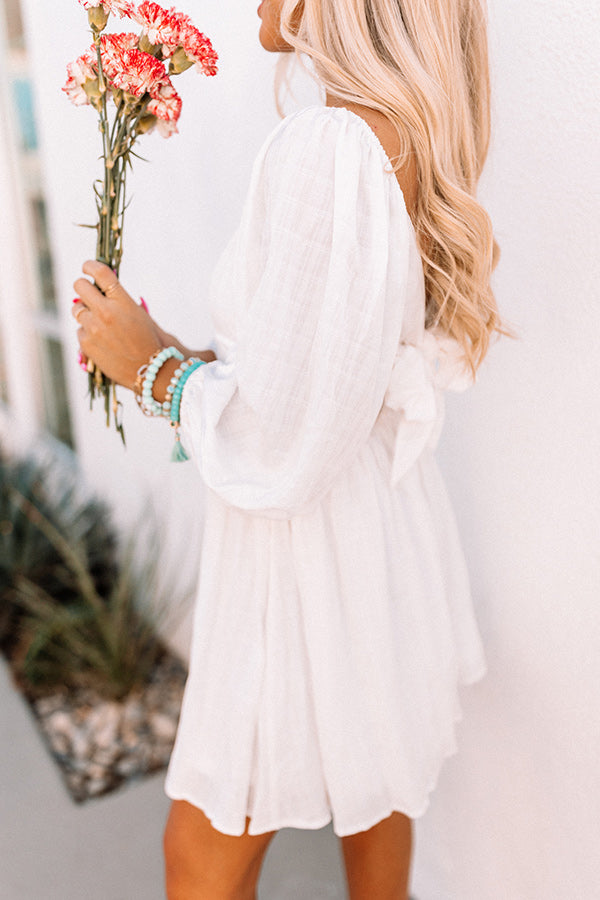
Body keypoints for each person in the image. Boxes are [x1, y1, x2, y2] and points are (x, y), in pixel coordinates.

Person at [73, 1, 507, 897]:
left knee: (201, 856)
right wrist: (189, 359)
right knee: (377, 794)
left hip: (299, 554)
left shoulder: (331, 147)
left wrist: (150, 369)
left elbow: (282, 442)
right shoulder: (400, 138)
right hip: (376, 535)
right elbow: (324, 373)